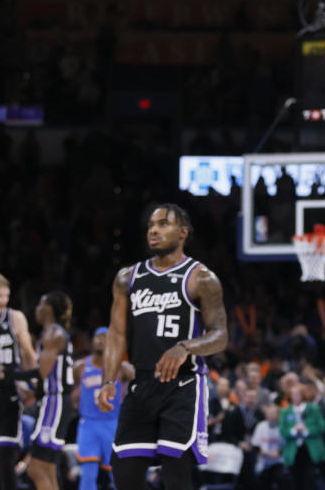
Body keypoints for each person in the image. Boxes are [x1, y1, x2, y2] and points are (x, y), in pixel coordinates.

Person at [99, 204, 228, 490]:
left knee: (176, 477)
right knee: (125, 477)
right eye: (150, 226)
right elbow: (117, 333)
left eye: (163, 224)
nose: (153, 230)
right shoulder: (127, 278)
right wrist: (108, 379)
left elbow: (220, 335)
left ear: (183, 232)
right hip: (140, 384)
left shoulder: (201, 277)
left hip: (182, 386)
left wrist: (186, 346)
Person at [0, 272, 37, 490]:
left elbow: (28, 353)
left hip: (8, 394)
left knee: (6, 457)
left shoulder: (15, 317)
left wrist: (35, 380)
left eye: (6, 296)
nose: (3, 301)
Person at [74, 327, 135, 490]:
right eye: (97, 337)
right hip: (88, 424)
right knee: (88, 475)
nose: (100, 341)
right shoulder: (80, 366)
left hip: (113, 424)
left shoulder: (123, 367)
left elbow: (142, 385)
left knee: (117, 474)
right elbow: (70, 392)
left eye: (104, 337)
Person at [26, 291, 75, 490]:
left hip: (54, 402)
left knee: (36, 468)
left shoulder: (53, 333)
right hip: (55, 402)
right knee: (45, 468)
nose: (36, 309)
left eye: (40, 304)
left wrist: (9, 375)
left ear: (49, 309)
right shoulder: (53, 332)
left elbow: (41, 374)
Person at [279, 381, 325, 490]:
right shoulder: (286, 412)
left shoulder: (313, 409)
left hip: (310, 449)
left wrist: (307, 430)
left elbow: (321, 426)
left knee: (309, 480)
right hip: (293, 450)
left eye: (298, 394)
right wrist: (293, 431)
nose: (295, 397)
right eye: (293, 394)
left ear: (303, 395)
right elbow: (282, 431)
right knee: (295, 480)